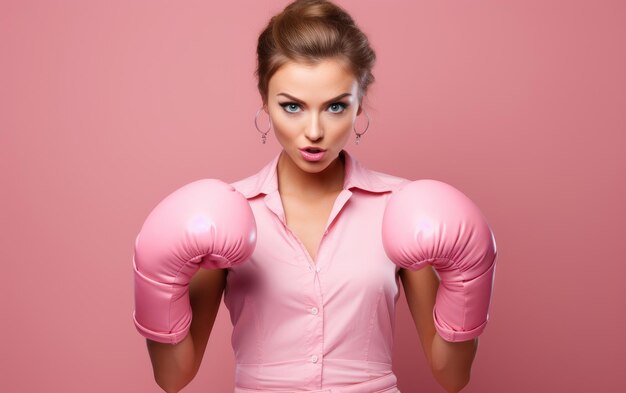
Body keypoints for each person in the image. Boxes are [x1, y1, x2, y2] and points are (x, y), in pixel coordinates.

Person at [132, 1, 497, 392]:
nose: (314, 131)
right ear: (264, 102)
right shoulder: (221, 213)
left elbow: (451, 375)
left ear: (360, 104)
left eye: (336, 106)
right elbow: (173, 377)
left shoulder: (406, 208)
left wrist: (468, 282)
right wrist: (155, 281)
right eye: (292, 106)